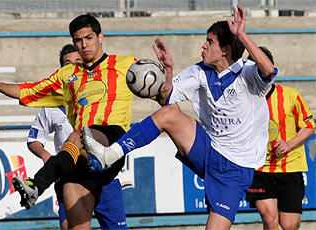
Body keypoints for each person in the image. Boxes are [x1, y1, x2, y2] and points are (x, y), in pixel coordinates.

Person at [81, 5, 277, 229]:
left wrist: (241, 34)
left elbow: (269, 70)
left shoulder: (248, 73)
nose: (203, 46)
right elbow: (166, 98)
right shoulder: (201, 71)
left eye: (209, 42)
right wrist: (168, 70)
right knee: (169, 114)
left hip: (235, 168)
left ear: (225, 49)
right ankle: (110, 154)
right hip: (209, 149)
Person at [0, 14, 135, 229]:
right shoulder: (68, 76)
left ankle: (38, 184)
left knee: (80, 135)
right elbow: (30, 90)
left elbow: (158, 88)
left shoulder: (125, 64)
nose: (84, 44)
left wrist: (167, 70)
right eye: (78, 40)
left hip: (111, 141)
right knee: (70, 187)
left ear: (100, 37)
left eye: (89, 38)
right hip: (83, 159)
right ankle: (41, 185)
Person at [245, 47, 315, 230]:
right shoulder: (244, 99)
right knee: (270, 220)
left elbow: (309, 127)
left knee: (289, 226)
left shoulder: (291, 96)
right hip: (260, 169)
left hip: (290, 168)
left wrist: (289, 144)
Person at [27, 44, 80, 230]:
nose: (73, 67)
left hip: (100, 172)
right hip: (68, 175)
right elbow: (34, 140)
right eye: (68, 63)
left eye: (78, 62)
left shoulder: (100, 98)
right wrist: (46, 156)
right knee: (68, 226)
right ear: (61, 70)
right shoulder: (52, 105)